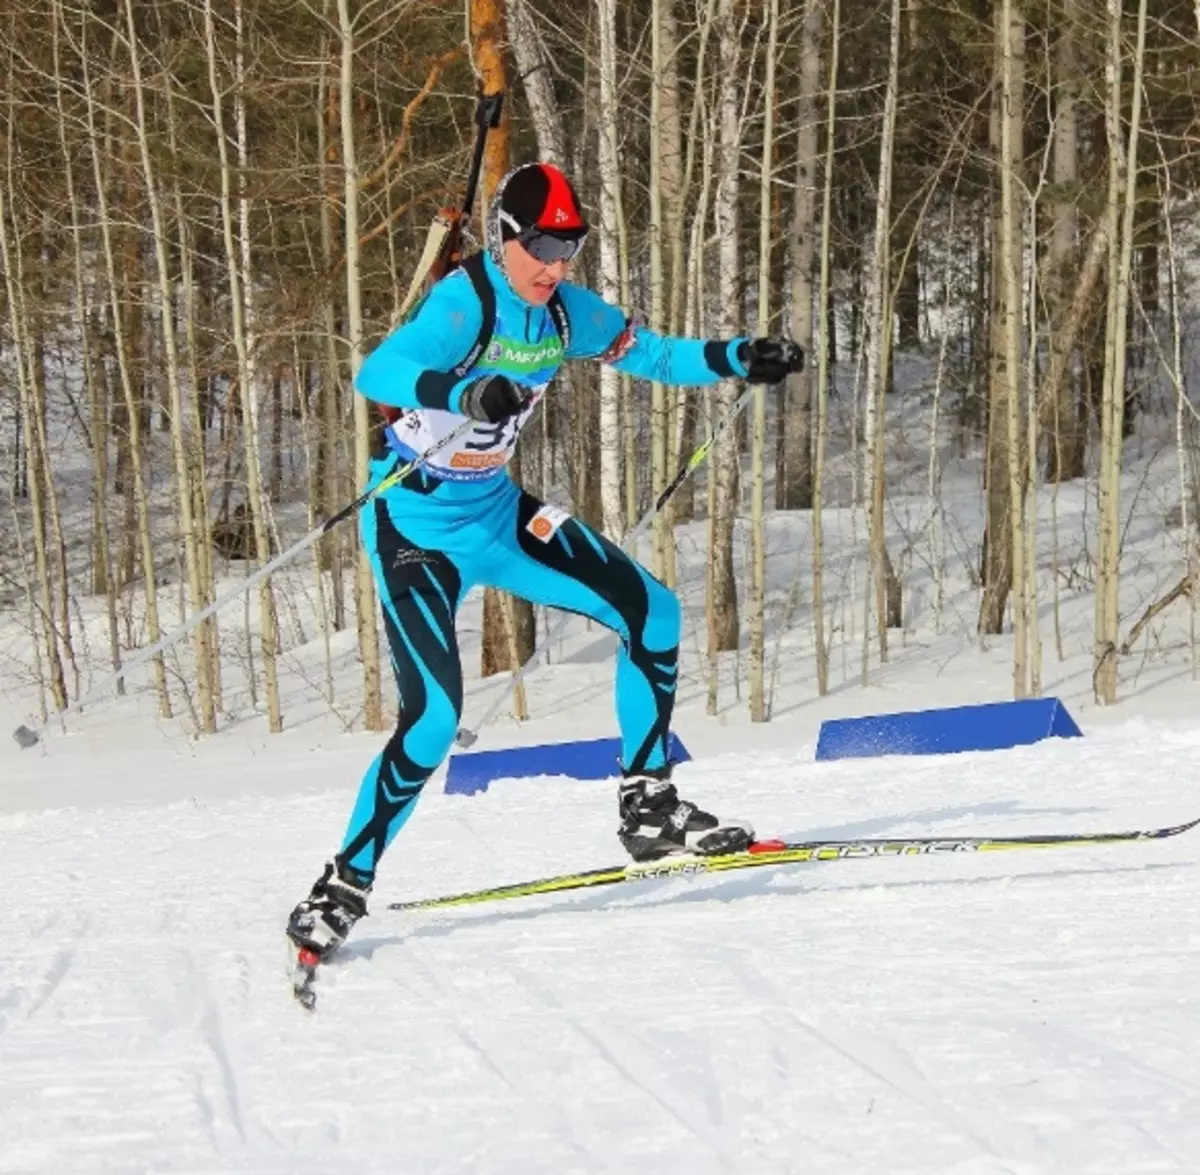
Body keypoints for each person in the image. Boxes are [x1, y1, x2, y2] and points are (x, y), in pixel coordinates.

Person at [287, 162, 804, 960]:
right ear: (505, 236)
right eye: (540, 247)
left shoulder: (566, 313)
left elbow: (655, 355)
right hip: (415, 528)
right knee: (432, 722)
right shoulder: (469, 300)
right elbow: (378, 371)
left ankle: (649, 805)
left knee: (652, 612)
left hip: (495, 511)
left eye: (567, 250)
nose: (553, 267)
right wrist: (461, 394)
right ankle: (342, 886)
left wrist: (738, 355)